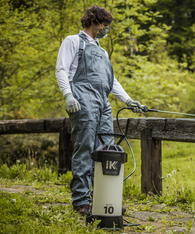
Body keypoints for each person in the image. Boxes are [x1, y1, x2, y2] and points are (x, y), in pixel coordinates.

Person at [55, 5, 144, 216]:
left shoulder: (103, 51)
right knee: (85, 148)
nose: (106, 29)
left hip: (103, 102)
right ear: (93, 21)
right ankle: (81, 201)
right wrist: (68, 95)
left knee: (106, 149)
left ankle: (104, 199)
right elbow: (61, 69)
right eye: (105, 24)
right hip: (82, 99)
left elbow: (110, 81)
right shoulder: (73, 42)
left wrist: (129, 100)